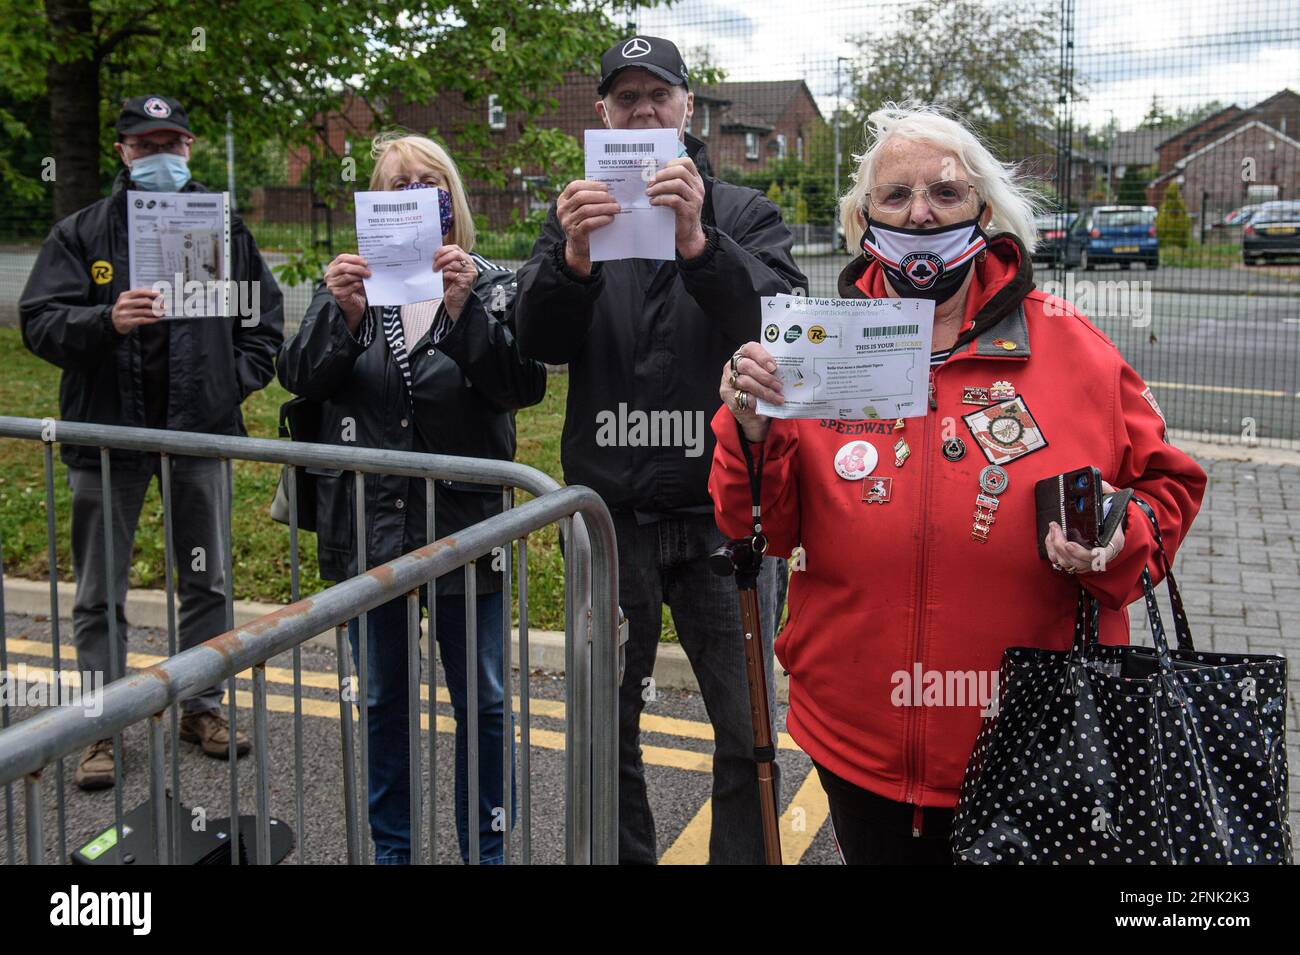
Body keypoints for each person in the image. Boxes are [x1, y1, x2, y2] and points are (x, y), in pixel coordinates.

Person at [710, 104, 1207, 864]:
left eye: (944, 193)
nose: (919, 212)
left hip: (1035, 741)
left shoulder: (1075, 347)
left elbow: (1167, 488)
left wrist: (1117, 535)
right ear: (863, 215)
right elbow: (766, 527)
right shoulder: (817, 349)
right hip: (858, 741)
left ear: (984, 210)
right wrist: (748, 432)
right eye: (896, 195)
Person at [513, 36, 808, 864]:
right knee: (607, 725)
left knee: (747, 729)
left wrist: (699, 243)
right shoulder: (578, 212)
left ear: (686, 108)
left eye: (658, 95)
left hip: (722, 518)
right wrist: (570, 262)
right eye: (625, 97)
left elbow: (782, 328)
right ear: (603, 113)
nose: (643, 109)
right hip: (614, 519)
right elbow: (534, 341)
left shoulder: (741, 210)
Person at [277, 132, 546, 865]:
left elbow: (522, 385)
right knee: (385, 701)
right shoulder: (351, 286)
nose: (412, 194)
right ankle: (391, 852)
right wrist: (342, 314)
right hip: (372, 528)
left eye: (428, 181)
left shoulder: (492, 282)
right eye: (395, 184)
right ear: (375, 201)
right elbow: (298, 376)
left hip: (465, 528)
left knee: (485, 702)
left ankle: (485, 851)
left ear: (450, 199)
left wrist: (465, 314)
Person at [20, 94, 284, 789]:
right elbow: (40, 322)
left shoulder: (221, 226)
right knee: (98, 590)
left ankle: (203, 704)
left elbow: (264, 322)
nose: (161, 157)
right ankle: (100, 725)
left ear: (191, 148)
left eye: (174, 144)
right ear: (122, 152)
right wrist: (105, 320)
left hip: (198, 434)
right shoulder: (82, 233)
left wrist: (231, 384)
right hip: (108, 439)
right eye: (147, 145)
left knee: (207, 578)